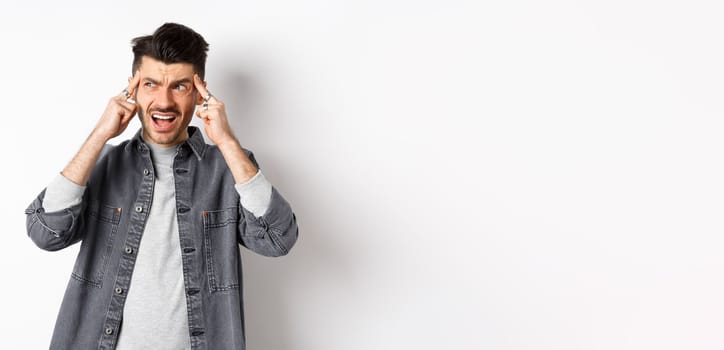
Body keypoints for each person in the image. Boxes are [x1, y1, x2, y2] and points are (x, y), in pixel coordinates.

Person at [24, 23, 298, 350]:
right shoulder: (103, 163)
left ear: (199, 93)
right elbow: (45, 232)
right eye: (151, 84)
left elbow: (278, 239)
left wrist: (226, 141)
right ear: (133, 90)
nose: (164, 101)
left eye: (180, 86)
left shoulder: (229, 168)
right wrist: (100, 134)